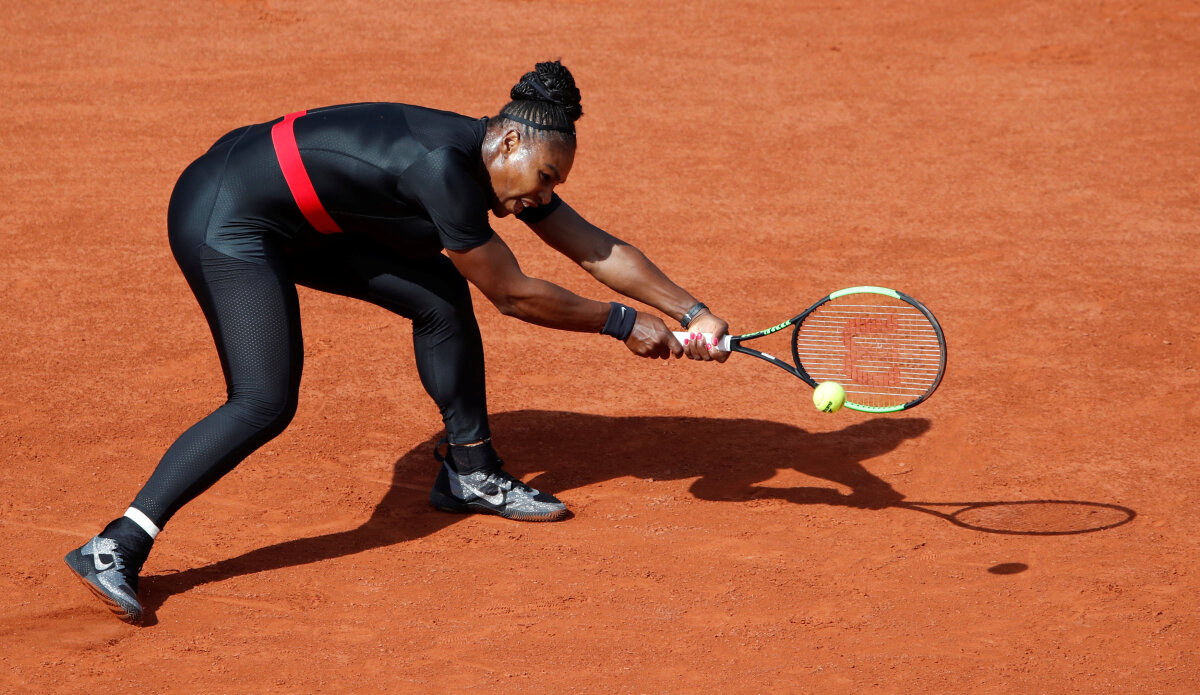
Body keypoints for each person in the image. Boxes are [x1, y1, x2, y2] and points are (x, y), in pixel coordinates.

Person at [65, 61, 730, 624]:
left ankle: (471, 473)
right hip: (226, 214)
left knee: (437, 295)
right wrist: (622, 323)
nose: (546, 195)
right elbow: (513, 293)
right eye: (547, 178)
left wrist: (692, 310)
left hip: (308, 218)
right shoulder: (442, 168)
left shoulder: (497, 164)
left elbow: (592, 245)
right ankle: (116, 543)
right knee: (264, 398)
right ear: (507, 146)